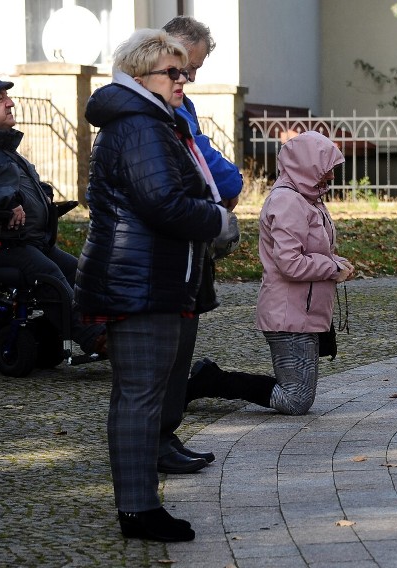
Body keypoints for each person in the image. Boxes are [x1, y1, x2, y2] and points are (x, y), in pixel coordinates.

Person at [74, 29, 237, 542]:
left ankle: (139, 508)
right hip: (139, 278)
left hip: (145, 275)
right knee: (140, 398)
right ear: (140, 75)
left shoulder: (144, 120)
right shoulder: (141, 125)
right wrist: (217, 221)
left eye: (184, 72)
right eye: (174, 72)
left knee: (136, 396)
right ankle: (140, 512)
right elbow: (161, 203)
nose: (183, 81)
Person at [186, 131, 355, 416]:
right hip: (288, 315)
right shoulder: (288, 202)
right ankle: (210, 381)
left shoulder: (309, 199)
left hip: (304, 312)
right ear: (308, 166)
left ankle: (210, 379)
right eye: (327, 169)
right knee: (295, 399)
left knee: (298, 394)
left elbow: (310, 250)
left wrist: (337, 261)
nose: (332, 177)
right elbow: (290, 263)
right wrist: (331, 267)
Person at [0, 77, 105, 357]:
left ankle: (111, 327)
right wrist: (6, 203)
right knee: (48, 276)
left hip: (26, 240)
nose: (10, 102)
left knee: (82, 272)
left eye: (7, 97)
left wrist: (42, 195)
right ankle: (95, 339)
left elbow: (7, 185)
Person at [155, 15, 243, 475]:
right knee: (162, 355)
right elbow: (181, 180)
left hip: (183, 253)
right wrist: (215, 208)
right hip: (162, 258)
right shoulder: (148, 116)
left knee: (179, 344)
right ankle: (155, 446)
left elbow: (204, 155)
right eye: (185, 68)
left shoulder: (174, 107)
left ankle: (165, 437)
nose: (189, 79)